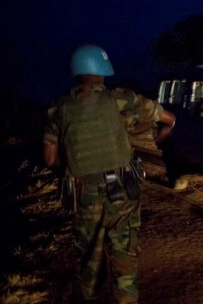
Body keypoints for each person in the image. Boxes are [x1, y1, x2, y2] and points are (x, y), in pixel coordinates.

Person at [43, 44, 175, 303]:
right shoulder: (121, 99)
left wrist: (73, 170)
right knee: (124, 257)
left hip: (83, 195)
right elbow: (166, 117)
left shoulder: (57, 109)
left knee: (89, 258)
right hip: (121, 194)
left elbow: (50, 159)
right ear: (103, 72)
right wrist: (165, 130)